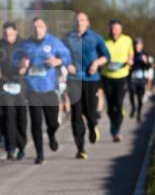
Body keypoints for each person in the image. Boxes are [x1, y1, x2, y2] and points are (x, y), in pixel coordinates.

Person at [15, 17, 71, 164]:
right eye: (34, 26)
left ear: (45, 28)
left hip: (49, 87)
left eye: (39, 26)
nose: (37, 29)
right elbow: (14, 58)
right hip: (32, 88)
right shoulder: (26, 45)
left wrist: (57, 61)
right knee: (36, 121)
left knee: (53, 122)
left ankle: (52, 135)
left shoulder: (53, 42)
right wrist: (21, 64)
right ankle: (40, 154)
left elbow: (67, 56)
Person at [64, 12, 109, 159]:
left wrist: (96, 63)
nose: (79, 23)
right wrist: (67, 64)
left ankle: (92, 126)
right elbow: (59, 54)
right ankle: (80, 148)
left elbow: (106, 56)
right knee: (76, 114)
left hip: (91, 79)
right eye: (77, 20)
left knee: (90, 111)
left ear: (87, 22)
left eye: (82, 20)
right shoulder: (67, 38)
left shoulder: (95, 37)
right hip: (74, 79)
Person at [0, 21, 28, 160]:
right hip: (5, 84)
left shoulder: (23, 44)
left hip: (20, 83)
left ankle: (21, 146)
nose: (8, 36)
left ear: (16, 32)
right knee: (8, 116)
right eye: (5, 34)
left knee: (21, 117)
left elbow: (31, 59)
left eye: (10, 33)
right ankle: (11, 147)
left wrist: (25, 66)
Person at [101, 19, 134, 142]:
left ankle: (116, 131)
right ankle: (113, 124)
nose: (114, 31)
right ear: (109, 29)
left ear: (121, 30)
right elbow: (100, 56)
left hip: (122, 76)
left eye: (116, 29)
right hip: (107, 76)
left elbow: (131, 54)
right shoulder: (104, 41)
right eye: (112, 29)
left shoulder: (127, 40)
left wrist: (130, 61)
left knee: (119, 103)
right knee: (110, 106)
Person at [129, 39, 151, 121]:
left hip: (141, 79)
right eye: (136, 44)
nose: (137, 46)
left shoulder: (145, 54)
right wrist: (130, 64)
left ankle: (138, 114)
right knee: (131, 93)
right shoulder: (132, 53)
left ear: (142, 45)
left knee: (139, 98)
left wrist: (146, 62)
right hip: (132, 78)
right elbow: (128, 64)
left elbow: (148, 67)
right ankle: (133, 108)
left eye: (139, 44)